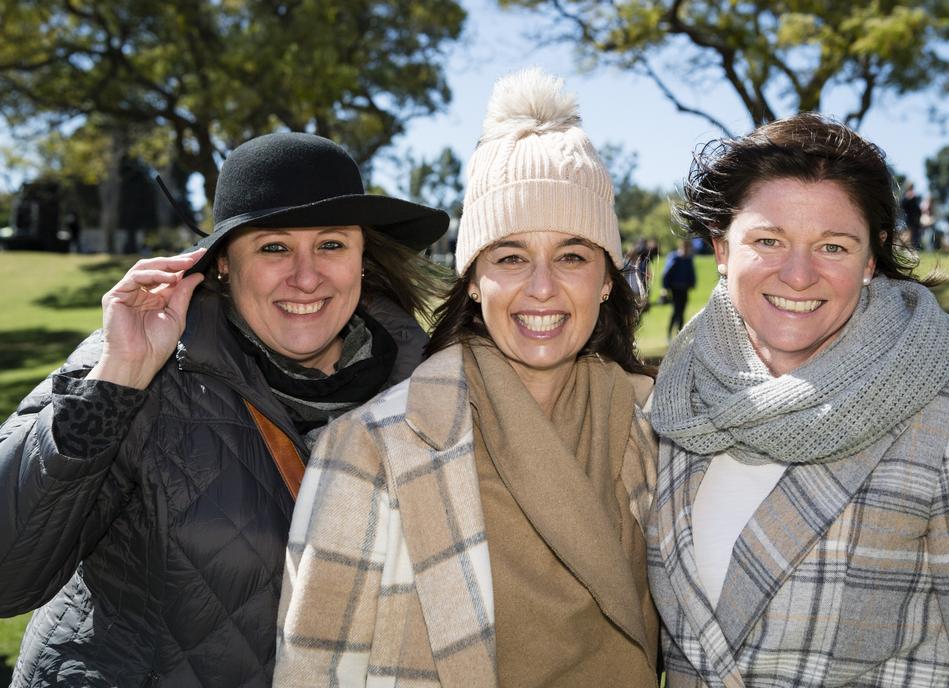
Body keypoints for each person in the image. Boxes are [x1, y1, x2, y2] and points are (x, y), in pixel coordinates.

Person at [0, 132, 449, 688]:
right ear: (221, 267)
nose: (306, 277)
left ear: (362, 258)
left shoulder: (425, 386)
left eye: (331, 245)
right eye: (273, 247)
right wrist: (116, 383)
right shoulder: (141, 361)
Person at [275, 69, 660, 687]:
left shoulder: (653, 430)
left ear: (608, 278)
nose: (542, 288)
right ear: (474, 280)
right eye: (510, 257)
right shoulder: (373, 448)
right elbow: (314, 670)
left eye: (572, 256)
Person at [648, 113, 949, 687]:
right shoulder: (676, 401)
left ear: (870, 259)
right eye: (768, 240)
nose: (798, 275)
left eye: (832, 245)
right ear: (722, 250)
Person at [661, 238, 696, 338]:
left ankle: (679, 335)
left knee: (681, 312)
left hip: (684, 289)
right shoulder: (675, 258)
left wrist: (691, 284)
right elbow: (666, 274)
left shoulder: (688, 259)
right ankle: (670, 334)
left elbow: (691, 274)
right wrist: (665, 288)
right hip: (675, 289)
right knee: (676, 312)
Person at [900, 182, 922, 249]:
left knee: (914, 235)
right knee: (909, 234)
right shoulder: (905, 196)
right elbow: (902, 205)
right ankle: (901, 247)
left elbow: (917, 208)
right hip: (909, 218)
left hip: (915, 219)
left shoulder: (915, 197)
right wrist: (908, 198)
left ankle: (913, 249)